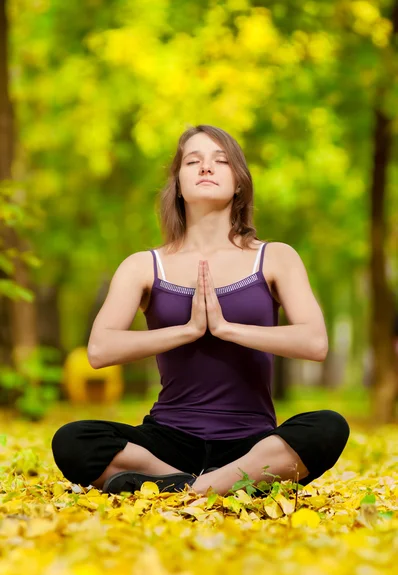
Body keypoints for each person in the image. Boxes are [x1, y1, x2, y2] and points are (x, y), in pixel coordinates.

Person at [51, 124, 350, 497]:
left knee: (329, 427)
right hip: (167, 441)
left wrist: (225, 328)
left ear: (239, 182)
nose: (206, 168)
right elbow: (99, 350)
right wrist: (188, 330)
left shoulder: (275, 257)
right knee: (73, 440)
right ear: (178, 183)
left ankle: (185, 488)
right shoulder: (143, 266)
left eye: (220, 161)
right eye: (193, 161)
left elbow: (315, 342)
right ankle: (216, 486)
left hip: (251, 443)